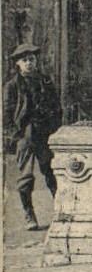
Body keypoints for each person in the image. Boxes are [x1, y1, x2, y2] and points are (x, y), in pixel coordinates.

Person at [3, 42, 62, 231]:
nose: (29, 63)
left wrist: (54, 130)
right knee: (26, 177)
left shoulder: (45, 81)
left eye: (32, 59)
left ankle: (62, 211)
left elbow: (56, 107)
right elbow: (6, 114)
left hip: (44, 133)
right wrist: (16, 135)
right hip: (25, 135)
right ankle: (29, 215)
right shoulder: (12, 86)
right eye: (25, 60)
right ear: (18, 64)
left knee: (51, 172)